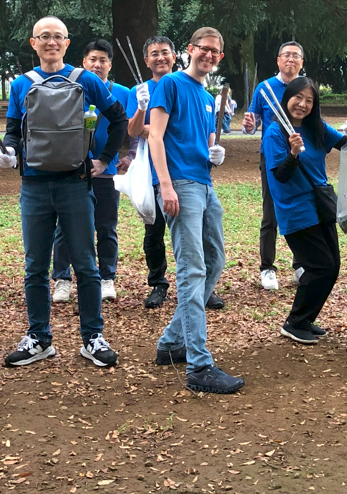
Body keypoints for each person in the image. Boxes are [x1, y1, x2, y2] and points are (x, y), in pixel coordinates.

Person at [0, 17, 128, 368]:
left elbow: (118, 118)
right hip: (35, 185)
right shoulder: (21, 85)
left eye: (57, 37)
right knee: (35, 266)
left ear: (67, 43)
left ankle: (92, 337)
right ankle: (39, 337)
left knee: (85, 263)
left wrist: (103, 160)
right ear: (33, 42)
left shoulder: (86, 80)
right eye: (44, 37)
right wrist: (8, 149)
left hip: (75, 182)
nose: (51, 42)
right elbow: (12, 128)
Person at [149, 27, 242, 393]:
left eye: (216, 52)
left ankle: (171, 343)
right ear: (190, 50)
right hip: (181, 186)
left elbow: (203, 141)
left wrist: (214, 155)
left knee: (215, 261)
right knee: (191, 270)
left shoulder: (206, 96)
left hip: (204, 183)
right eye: (204, 49)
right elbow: (155, 135)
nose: (209, 55)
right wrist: (166, 185)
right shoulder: (170, 83)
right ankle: (199, 367)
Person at [126, 37, 227, 311]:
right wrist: (143, 109)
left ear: (175, 56)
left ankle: (202, 292)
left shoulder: (199, 93)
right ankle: (159, 283)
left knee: (204, 246)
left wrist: (214, 153)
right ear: (146, 60)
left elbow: (199, 135)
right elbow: (136, 131)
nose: (161, 58)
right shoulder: (144, 90)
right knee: (155, 228)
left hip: (194, 178)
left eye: (165, 53)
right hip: (156, 170)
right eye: (154, 54)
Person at [263, 77, 347, 344]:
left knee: (333, 266)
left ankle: (305, 320)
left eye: (309, 100)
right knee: (320, 266)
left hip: (322, 204)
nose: (302, 104)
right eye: (298, 98)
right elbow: (279, 177)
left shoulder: (316, 127)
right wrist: (292, 153)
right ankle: (295, 322)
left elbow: (345, 145)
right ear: (287, 99)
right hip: (296, 210)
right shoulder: (275, 133)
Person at [50, 39, 130, 304]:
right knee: (64, 226)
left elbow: (131, 129)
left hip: (105, 172)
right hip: (72, 170)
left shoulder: (122, 92)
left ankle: (107, 278)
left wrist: (126, 157)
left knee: (106, 226)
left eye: (103, 60)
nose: (97, 64)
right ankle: (62, 279)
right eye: (92, 59)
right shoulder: (71, 88)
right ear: (83, 62)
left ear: (110, 64)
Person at [241, 41, 306, 291]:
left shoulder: (306, 88)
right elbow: (253, 122)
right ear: (278, 60)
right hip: (271, 157)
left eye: (296, 56)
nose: (291, 59)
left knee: (300, 209)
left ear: (301, 62)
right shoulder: (265, 88)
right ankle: (267, 268)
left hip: (299, 155)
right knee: (271, 213)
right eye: (286, 55)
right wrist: (249, 126)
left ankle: (300, 264)